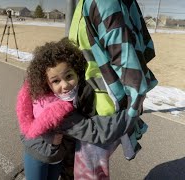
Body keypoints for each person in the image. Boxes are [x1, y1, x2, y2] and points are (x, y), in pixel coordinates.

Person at [16, 38, 138, 180]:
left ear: (77, 72)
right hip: (37, 156)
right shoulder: (58, 111)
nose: (65, 85)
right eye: (56, 81)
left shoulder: (46, 94)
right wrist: (130, 115)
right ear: (46, 83)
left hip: (55, 155)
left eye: (68, 76)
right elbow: (94, 131)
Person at [67, 0, 158, 179]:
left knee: (89, 174)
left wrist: (129, 115)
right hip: (91, 101)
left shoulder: (103, 2)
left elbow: (126, 60)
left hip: (102, 110)